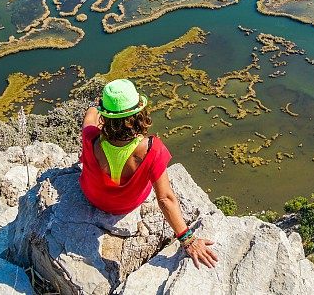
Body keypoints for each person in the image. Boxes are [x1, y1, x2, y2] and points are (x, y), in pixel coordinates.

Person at [79, 78, 218, 269]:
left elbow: (89, 116)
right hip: (126, 204)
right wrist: (188, 240)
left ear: (106, 117)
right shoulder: (151, 149)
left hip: (93, 197)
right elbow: (165, 199)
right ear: (139, 114)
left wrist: (97, 106)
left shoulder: (90, 136)